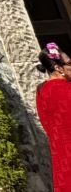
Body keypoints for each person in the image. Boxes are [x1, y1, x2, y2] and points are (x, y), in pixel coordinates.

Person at [37, 41, 71, 192]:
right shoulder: (66, 89)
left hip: (61, 158)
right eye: (70, 63)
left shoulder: (41, 91)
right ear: (58, 68)